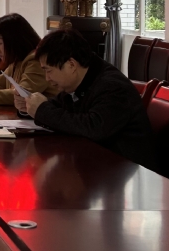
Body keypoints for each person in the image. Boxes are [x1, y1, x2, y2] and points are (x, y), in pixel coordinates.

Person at [16, 29, 156, 169]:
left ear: (71, 65)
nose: (47, 78)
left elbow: (93, 129)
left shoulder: (112, 86)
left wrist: (42, 110)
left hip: (128, 172)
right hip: (98, 166)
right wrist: (29, 107)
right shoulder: (80, 81)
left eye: (49, 70)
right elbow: (57, 107)